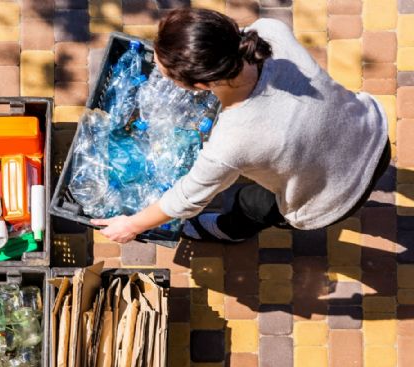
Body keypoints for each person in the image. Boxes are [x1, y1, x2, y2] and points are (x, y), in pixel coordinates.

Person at [91, 8, 390, 244]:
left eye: (167, 75)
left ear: (199, 84)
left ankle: (230, 231)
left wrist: (130, 225)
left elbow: (186, 199)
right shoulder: (270, 32)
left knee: (253, 204)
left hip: (333, 198)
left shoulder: (232, 141)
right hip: (371, 133)